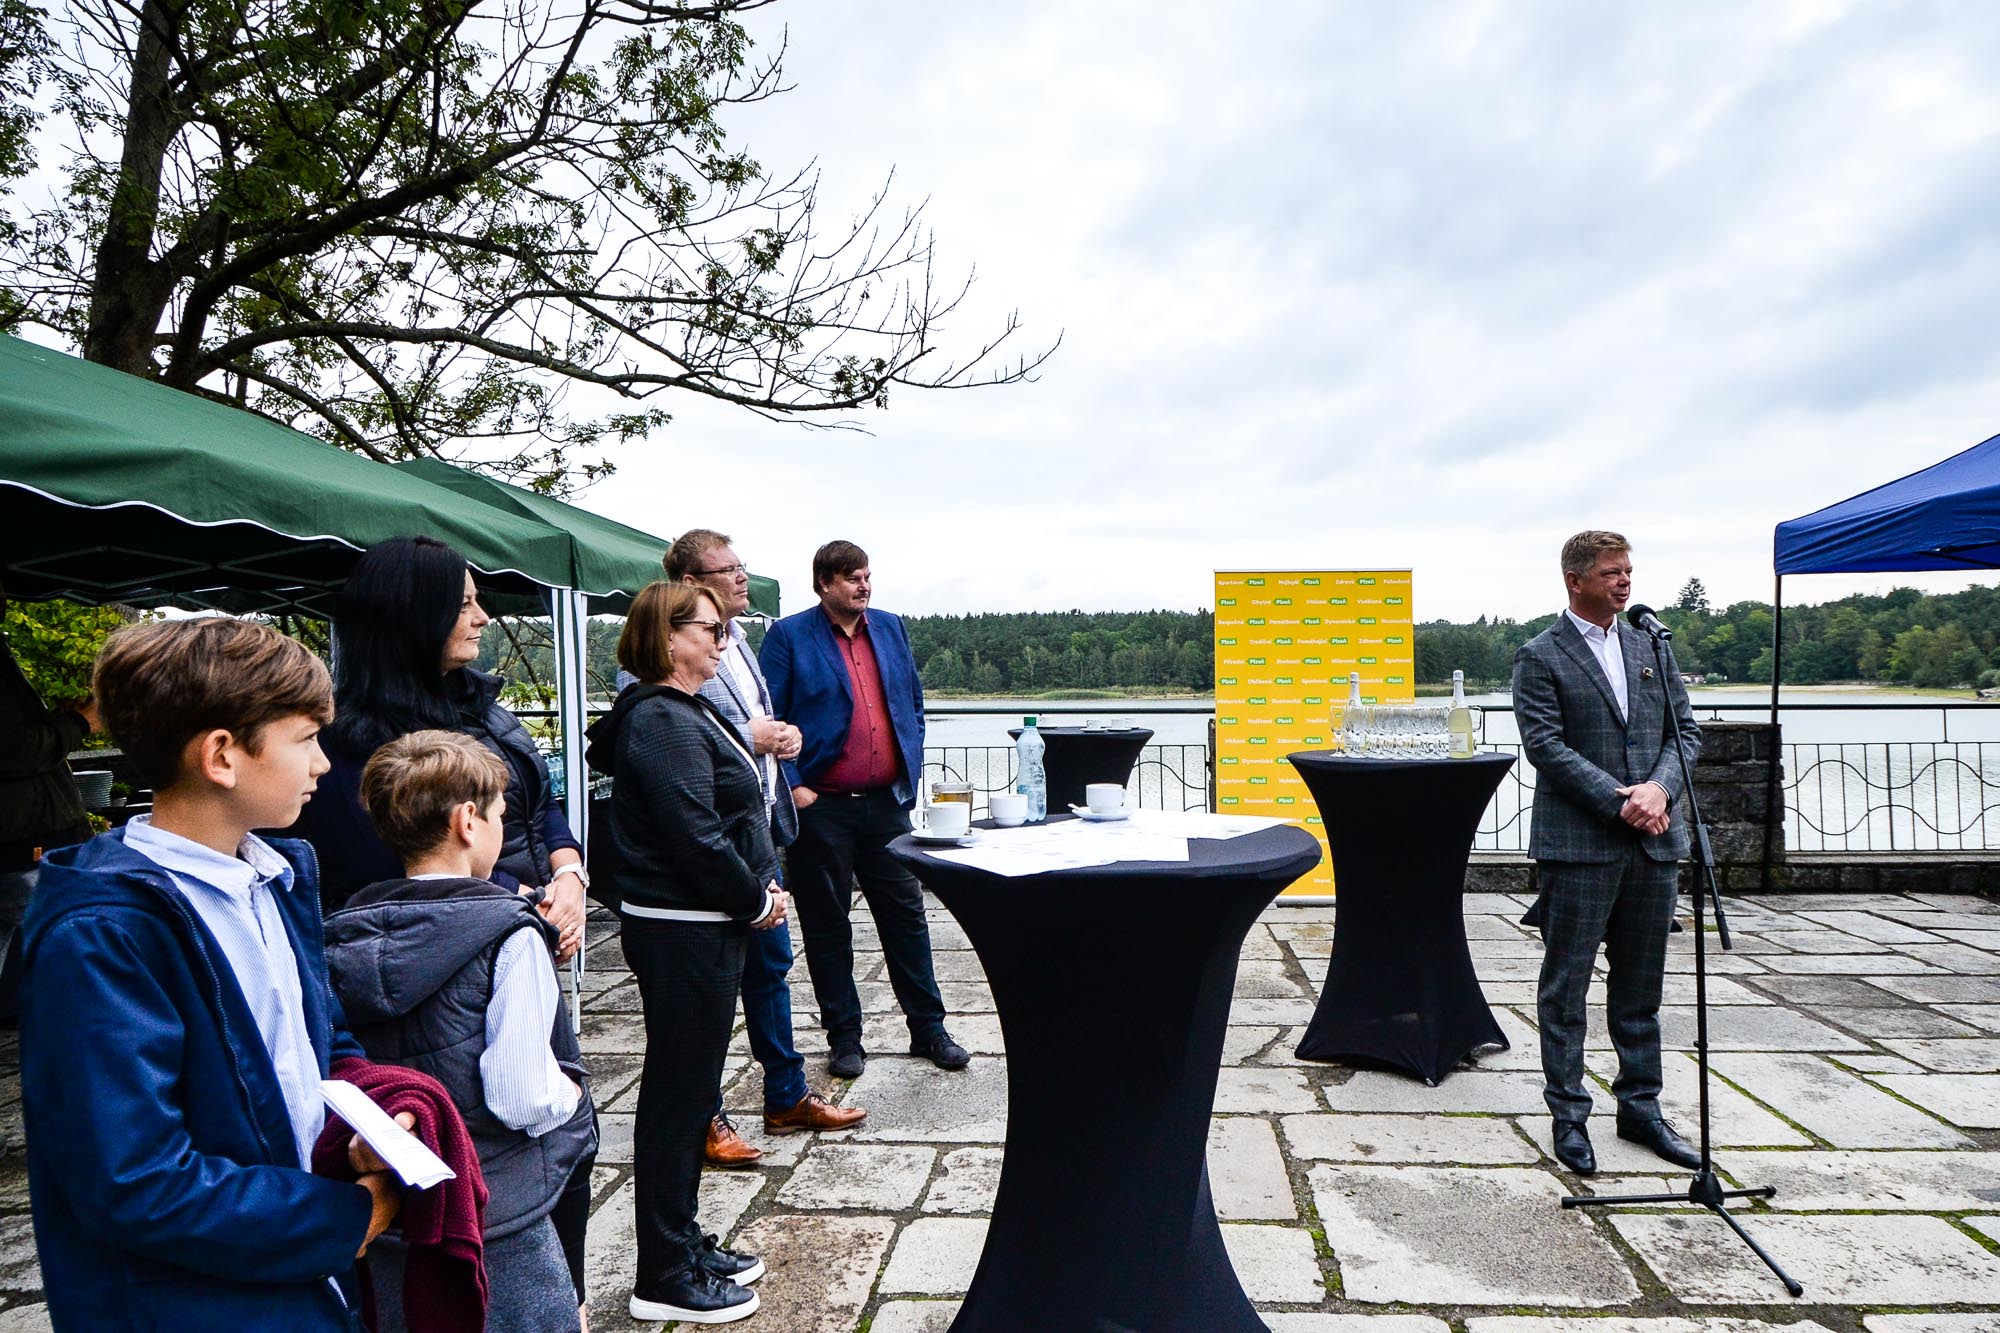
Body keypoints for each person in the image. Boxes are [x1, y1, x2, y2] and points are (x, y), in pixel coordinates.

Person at [19, 617, 404, 1328]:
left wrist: (380, 1114)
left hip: (296, 1286)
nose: (323, 762)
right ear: (222, 756)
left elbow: (316, 1041)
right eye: (306, 738)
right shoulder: (102, 933)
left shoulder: (276, 880)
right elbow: (133, 1177)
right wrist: (345, 1217)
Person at [325, 731, 598, 1333]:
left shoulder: (341, 933)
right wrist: (573, 1095)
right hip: (497, 1211)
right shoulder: (512, 933)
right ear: (468, 821)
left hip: (400, 1207)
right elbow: (518, 1094)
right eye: (502, 813)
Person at [585, 582, 786, 1325]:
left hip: (702, 924)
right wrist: (757, 897)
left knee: (691, 1088)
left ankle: (681, 1238)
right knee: (678, 1096)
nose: (725, 637)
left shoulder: (684, 708)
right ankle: (663, 1270)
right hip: (684, 925)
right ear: (669, 639)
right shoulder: (662, 719)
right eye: (711, 627)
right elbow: (695, 833)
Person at [664, 529, 867, 1164]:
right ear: (692, 582)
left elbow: (754, 721)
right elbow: (668, 723)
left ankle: (785, 1095)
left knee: (772, 969)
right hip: (710, 847)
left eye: (741, 567)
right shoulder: (655, 648)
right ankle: (705, 1116)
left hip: (761, 836)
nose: (741, 579)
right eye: (727, 571)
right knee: (709, 990)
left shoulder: (743, 640)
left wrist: (783, 741)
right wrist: (754, 737)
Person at [292, 535, 586, 961]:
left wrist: (570, 876)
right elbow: (398, 858)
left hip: (521, 923)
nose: (483, 618)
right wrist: (535, 902)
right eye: (463, 605)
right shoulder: (353, 743)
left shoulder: (483, 706)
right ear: (413, 616)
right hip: (450, 945)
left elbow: (539, 802)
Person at [1512, 530, 1704, 1177]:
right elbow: (1545, 745)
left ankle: (1640, 1107)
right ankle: (1569, 1115)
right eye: (1612, 571)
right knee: (1566, 989)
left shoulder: (1650, 642)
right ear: (1576, 579)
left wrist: (1660, 789)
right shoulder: (1539, 655)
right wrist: (1620, 799)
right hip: (1580, 847)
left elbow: (1687, 731)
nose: (1625, 581)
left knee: (1640, 987)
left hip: (1653, 847)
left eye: (1629, 570)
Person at [760, 540, 967, 1079]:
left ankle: (929, 1029)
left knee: (906, 917)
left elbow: (911, 702)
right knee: (828, 926)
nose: (864, 586)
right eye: (852, 578)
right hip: (821, 807)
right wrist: (795, 785)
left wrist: (910, 767)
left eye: (867, 576)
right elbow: (768, 715)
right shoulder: (789, 635)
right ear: (825, 584)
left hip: (886, 804)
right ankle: (845, 1038)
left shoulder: (890, 627)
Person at [0, 573, 99, 1018]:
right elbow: (11, 750)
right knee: (42, 947)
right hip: (20, 845)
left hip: (34, 838)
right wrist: (78, 724)